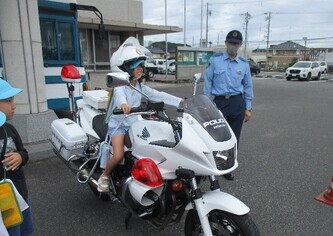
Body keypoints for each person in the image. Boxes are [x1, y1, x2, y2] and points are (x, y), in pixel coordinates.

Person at [97, 37, 183, 192]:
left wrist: (180, 102)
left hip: (134, 123)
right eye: (137, 67)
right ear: (128, 69)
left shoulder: (140, 86)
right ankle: (104, 175)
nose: (141, 69)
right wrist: (123, 105)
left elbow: (159, 95)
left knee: (149, 146)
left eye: (141, 66)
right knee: (117, 155)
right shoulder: (120, 85)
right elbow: (119, 97)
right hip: (119, 126)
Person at [204, 30, 253, 180]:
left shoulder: (244, 64)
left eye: (236, 43)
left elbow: (248, 86)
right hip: (220, 102)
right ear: (226, 43)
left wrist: (248, 107)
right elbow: (208, 82)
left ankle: (227, 167)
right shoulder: (215, 60)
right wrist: (206, 104)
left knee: (234, 137)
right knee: (215, 135)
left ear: (240, 45)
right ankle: (211, 167)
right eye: (231, 43)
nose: (233, 46)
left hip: (238, 102)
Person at [0, 79, 34, 236]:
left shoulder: (10, 129)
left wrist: (20, 157)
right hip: (2, 199)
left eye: (12, 100)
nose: (14, 106)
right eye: (8, 101)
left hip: (19, 194)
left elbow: (24, 152)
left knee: (20, 234)